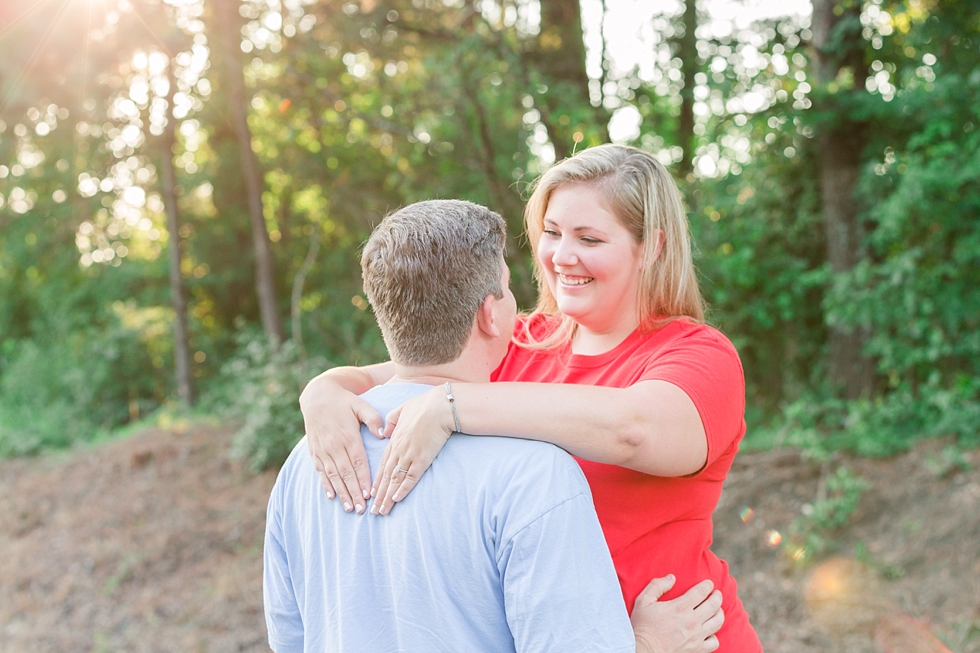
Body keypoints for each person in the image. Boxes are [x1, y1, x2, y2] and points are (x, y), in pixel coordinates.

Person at [300, 145, 761, 651]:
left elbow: (634, 429)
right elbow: (396, 377)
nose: (562, 256)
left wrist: (453, 408)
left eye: (589, 238)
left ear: (651, 247)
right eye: (553, 232)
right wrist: (322, 391)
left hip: (687, 638)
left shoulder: (698, 355)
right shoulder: (517, 341)